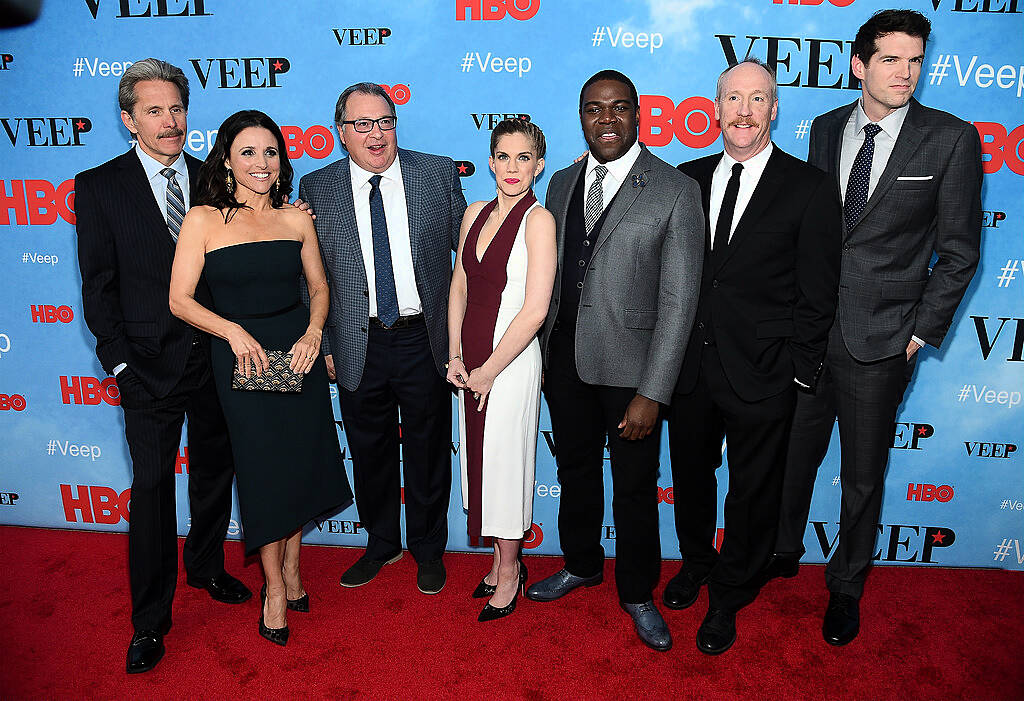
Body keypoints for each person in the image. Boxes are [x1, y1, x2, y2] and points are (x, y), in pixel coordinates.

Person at [767, 9, 982, 647]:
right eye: (891, 59)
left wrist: (918, 333)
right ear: (859, 64)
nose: (906, 73)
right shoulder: (829, 129)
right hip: (811, 333)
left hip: (883, 339)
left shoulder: (950, 139)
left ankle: (846, 586)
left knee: (863, 475)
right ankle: (780, 553)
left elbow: (961, 252)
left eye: (916, 59)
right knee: (792, 457)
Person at [74, 58, 252, 674]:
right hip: (146, 368)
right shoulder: (99, 187)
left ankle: (205, 566)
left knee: (212, 473)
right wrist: (120, 362)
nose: (169, 121)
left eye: (176, 108)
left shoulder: (214, 178)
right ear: (129, 120)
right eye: (154, 110)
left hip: (213, 361)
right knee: (151, 491)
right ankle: (150, 620)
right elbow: (97, 287)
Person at [667, 59, 841, 655]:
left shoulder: (810, 187)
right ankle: (696, 562)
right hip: (688, 366)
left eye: (757, 99)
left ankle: (730, 594)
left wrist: (800, 366)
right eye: (733, 98)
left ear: (774, 109)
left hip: (765, 370)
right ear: (715, 108)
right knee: (691, 477)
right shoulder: (683, 180)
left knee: (752, 490)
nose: (744, 110)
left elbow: (819, 292)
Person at [526, 70, 704, 652]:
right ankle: (580, 562)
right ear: (581, 116)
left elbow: (681, 300)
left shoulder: (674, 189)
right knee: (576, 473)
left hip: (634, 373)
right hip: (566, 364)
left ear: (637, 114)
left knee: (633, 487)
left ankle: (637, 592)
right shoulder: (560, 182)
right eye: (594, 109)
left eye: (619, 108)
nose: (606, 119)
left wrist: (654, 391)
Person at [167, 110, 352, 647]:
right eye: (248, 152)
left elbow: (319, 287)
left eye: (270, 152)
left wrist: (315, 333)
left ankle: (293, 571)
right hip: (242, 361)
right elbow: (179, 300)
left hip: (297, 356)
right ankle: (274, 588)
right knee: (264, 472)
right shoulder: (202, 219)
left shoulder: (296, 219)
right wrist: (231, 331)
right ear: (226, 159)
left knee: (297, 464)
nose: (261, 162)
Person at [298, 83, 468, 595]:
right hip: (356, 341)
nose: (376, 134)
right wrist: (325, 343)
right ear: (341, 132)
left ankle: (427, 548)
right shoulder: (317, 187)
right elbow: (308, 275)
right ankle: (380, 543)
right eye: (363, 124)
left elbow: (471, 254)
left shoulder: (436, 173)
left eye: (385, 122)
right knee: (369, 450)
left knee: (429, 449)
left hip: (424, 339)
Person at [446, 119, 556, 621]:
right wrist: (455, 355)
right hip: (470, 361)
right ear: (491, 161)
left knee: (506, 464)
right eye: (504, 157)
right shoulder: (473, 212)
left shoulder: (539, 221)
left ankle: (510, 572)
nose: (513, 168)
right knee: (481, 464)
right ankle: (495, 561)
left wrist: (489, 369)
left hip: (509, 362)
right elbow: (459, 290)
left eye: (524, 158)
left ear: (538, 164)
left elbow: (534, 310)